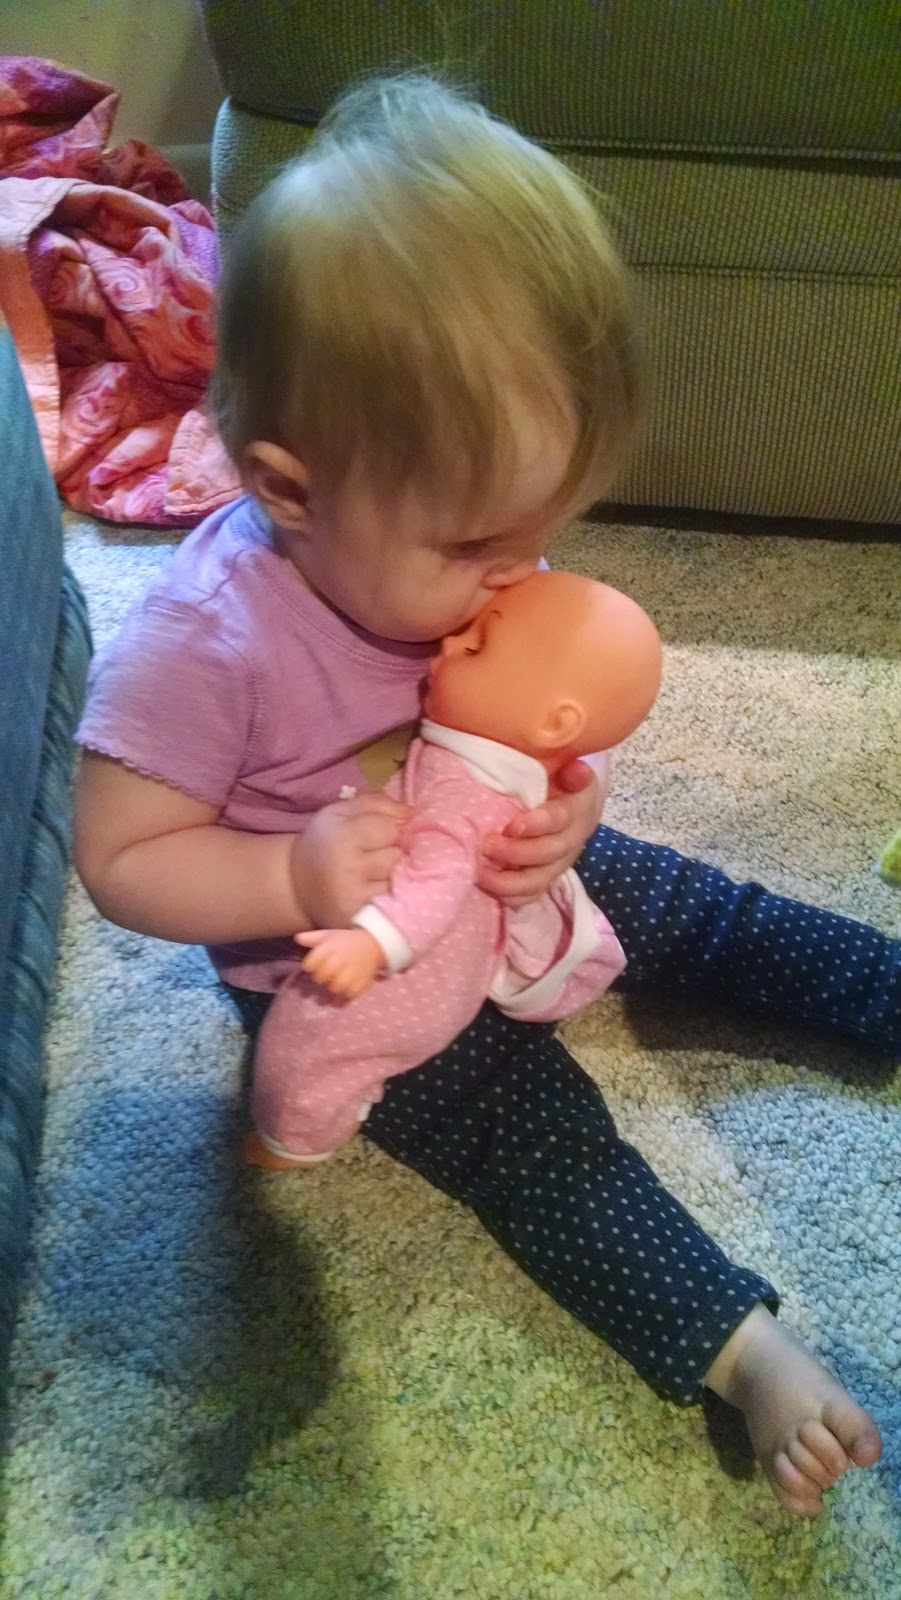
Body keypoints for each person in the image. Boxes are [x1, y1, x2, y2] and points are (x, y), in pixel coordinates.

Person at [73, 74, 896, 1519]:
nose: (516, 578)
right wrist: (288, 879)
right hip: (343, 963)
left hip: (506, 864)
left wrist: (574, 803)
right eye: (476, 547)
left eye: (541, 532)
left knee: (698, 905)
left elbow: (543, 712)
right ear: (293, 488)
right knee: (523, 1134)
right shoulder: (203, 642)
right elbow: (120, 856)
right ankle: (743, 1349)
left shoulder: (465, 553)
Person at [250, 572, 659, 1162]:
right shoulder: (483, 744)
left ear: (552, 727)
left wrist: (374, 942)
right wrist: (294, 877)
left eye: (476, 645)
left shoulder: (459, 789)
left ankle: (287, 1142)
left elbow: (436, 879)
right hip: (449, 966)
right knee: (540, 1127)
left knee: (307, 1042)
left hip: (408, 969)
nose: (450, 642)